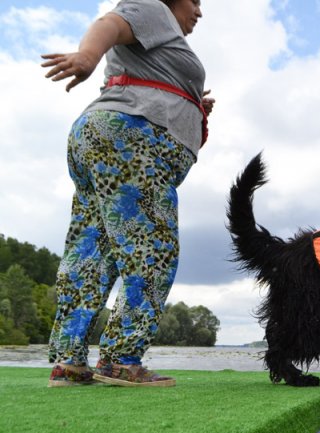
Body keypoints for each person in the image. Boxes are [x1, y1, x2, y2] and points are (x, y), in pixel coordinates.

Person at [42, 0, 214, 387]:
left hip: (101, 136)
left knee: (92, 245)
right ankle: (121, 358)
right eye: (195, 1)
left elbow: (145, 76)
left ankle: (68, 360)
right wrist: (86, 58)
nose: (199, 12)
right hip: (131, 137)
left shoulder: (164, 38)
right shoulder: (155, 9)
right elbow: (111, 23)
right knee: (152, 248)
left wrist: (192, 104)